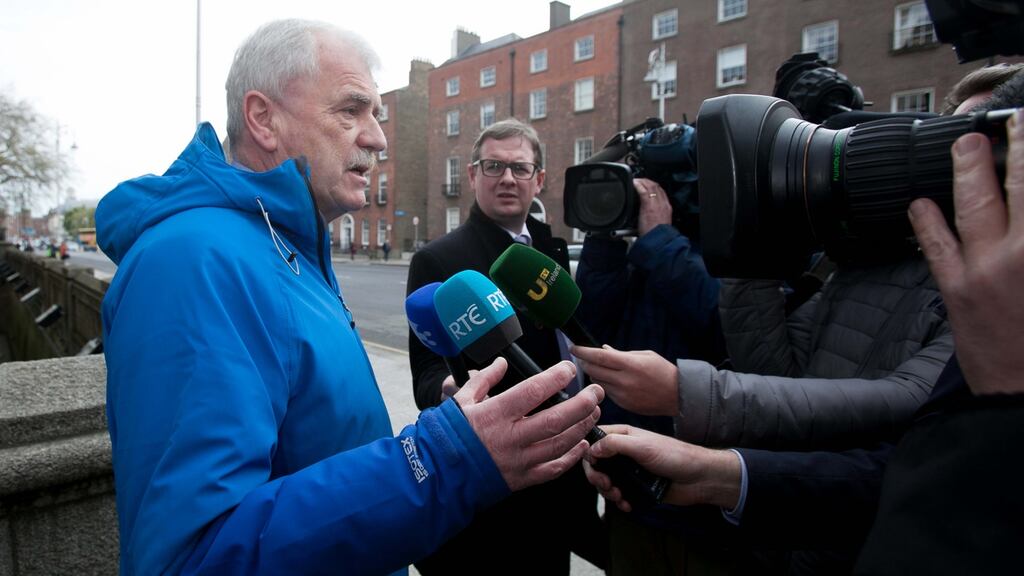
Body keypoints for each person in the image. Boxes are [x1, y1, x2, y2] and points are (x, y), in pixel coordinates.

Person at [97, 20, 603, 576]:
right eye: (351, 110)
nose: (378, 138)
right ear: (263, 118)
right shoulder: (194, 262)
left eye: (377, 116)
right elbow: (193, 557)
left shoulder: (284, 245)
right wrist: (442, 459)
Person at [579, 66, 1024, 574]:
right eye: (947, 142)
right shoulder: (861, 261)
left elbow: (904, 402)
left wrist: (688, 393)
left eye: (983, 146)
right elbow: (771, 363)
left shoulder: (986, 303)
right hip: (763, 522)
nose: (954, 165)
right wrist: (743, 228)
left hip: (827, 535)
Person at [406, 118, 606, 574]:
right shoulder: (439, 260)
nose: (507, 178)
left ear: (538, 179)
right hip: (505, 469)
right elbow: (426, 372)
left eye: (520, 167)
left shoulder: (552, 245)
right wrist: (452, 389)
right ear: (473, 175)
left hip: (573, 451)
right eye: (493, 166)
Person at [574, 178, 726, 575]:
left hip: (711, 501)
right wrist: (604, 242)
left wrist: (660, 239)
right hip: (631, 490)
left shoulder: (724, 243)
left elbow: (724, 327)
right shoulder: (637, 252)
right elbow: (590, 330)